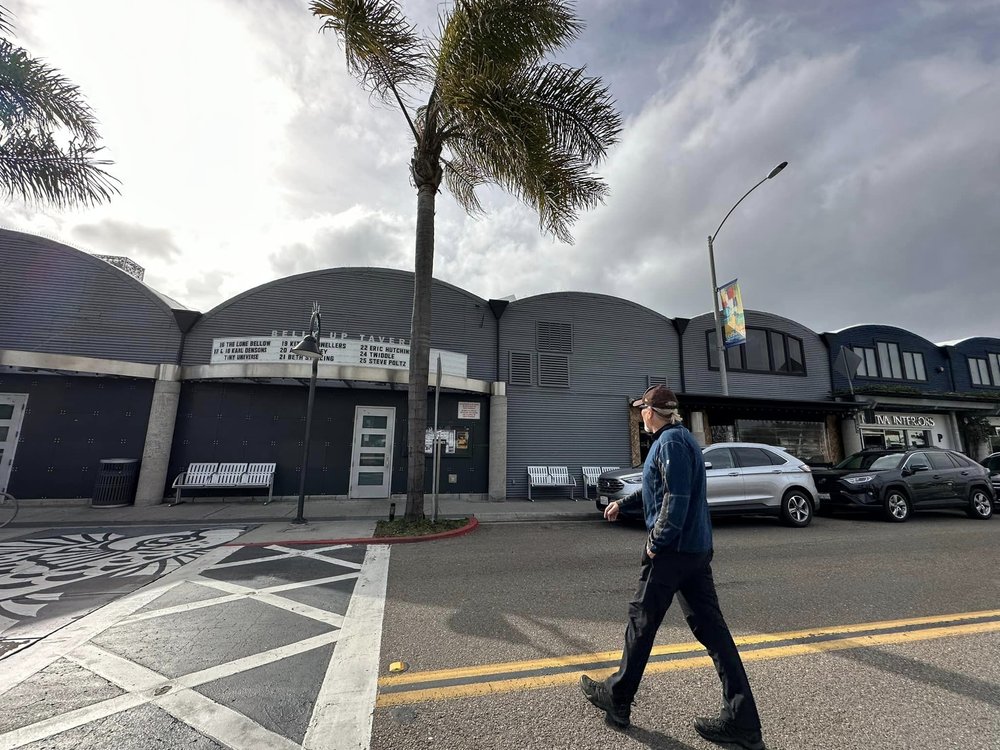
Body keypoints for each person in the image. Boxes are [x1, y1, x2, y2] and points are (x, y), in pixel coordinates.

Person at [579, 385, 765, 750]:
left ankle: (617, 699)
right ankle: (744, 722)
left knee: (641, 621)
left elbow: (675, 501)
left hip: (675, 551)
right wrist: (625, 504)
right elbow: (658, 490)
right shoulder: (675, 441)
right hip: (692, 551)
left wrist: (655, 544)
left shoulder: (672, 444)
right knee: (712, 632)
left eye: (641, 410)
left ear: (652, 412)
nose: (639, 415)